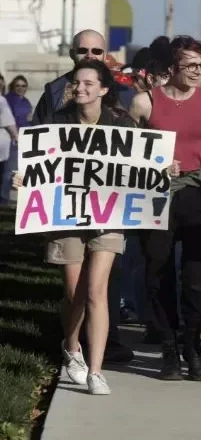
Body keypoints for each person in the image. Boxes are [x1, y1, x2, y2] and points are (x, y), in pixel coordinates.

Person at [17, 60, 142, 394]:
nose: (81, 88)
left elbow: (140, 167)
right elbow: (40, 165)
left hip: (108, 215)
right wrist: (24, 178)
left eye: (89, 83)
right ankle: (72, 346)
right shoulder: (57, 122)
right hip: (66, 213)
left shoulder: (122, 123)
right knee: (74, 293)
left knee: (96, 291)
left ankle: (96, 370)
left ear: (103, 89)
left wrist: (162, 170)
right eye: (77, 83)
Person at [128, 35, 201, 381]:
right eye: (191, 65)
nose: (199, 71)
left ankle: (192, 343)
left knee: (198, 273)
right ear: (171, 68)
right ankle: (168, 346)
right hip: (155, 195)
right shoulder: (144, 103)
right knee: (157, 270)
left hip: (198, 191)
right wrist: (155, 165)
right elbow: (127, 153)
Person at [1, 75, 31, 205]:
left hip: (24, 138)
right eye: (18, 85)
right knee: (8, 172)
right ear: (13, 86)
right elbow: (9, 121)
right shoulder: (7, 99)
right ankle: (3, 200)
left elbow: (28, 119)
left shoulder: (26, 101)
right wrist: (16, 136)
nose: (20, 88)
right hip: (13, 139)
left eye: (23, 86)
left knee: (12, 172)